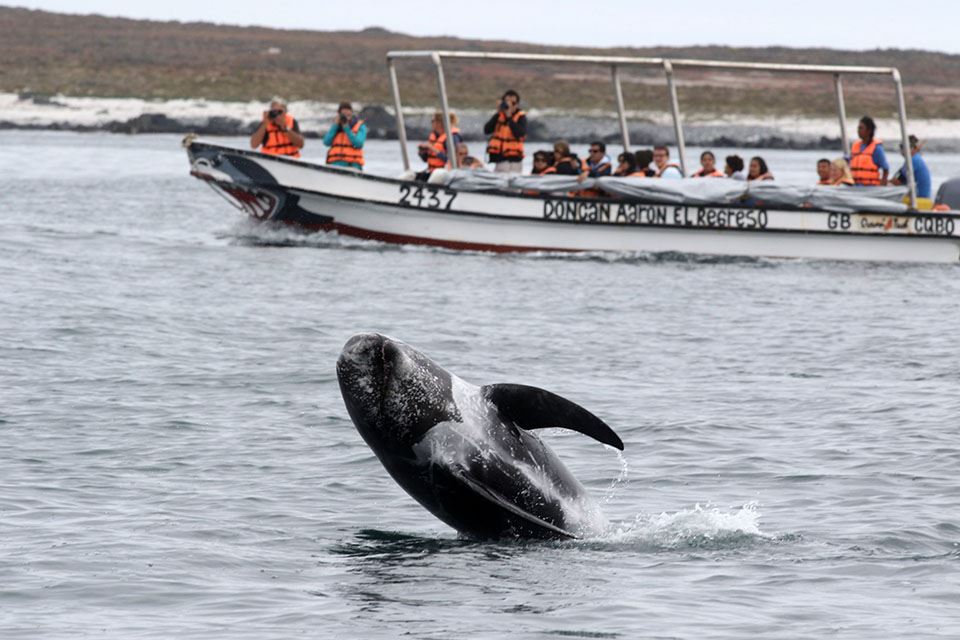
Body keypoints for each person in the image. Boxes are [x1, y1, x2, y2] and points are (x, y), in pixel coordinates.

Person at [484, 89, 527, 173]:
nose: (509, 106)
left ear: (517, 104)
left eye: (513, 103)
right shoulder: (499, 116)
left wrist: (509, 117)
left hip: (514, 160)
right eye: (507, 102)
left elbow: (520, 133)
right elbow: (487, 130)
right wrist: (498, 113)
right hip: (500, 159)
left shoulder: (520, 117)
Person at [323, 101, 367, 170]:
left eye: (348, 115)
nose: (346, 118)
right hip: (334, 165)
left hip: (352, 166)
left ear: (352, 113)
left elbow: (359, 144)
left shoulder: (360, 127)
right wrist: (335, 125)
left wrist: (346, 128)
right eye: (343, 115)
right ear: (339, 115)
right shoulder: (335, 127)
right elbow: (326, 142)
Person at [847, 115, 889, 186]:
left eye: (861, 128)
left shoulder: (877, 148)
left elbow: (885, 169)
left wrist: (882, 184)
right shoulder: (855, 146)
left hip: (870, 188)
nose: (858, 131)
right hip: (854, 187)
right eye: (858, 128)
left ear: (869, 130)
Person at [891, 134, 932, 199]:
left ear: (914, 148)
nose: (902, 151)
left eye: (905, 147)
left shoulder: (913, 160)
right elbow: (899, 176)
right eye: (901, 147)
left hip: (920, 199)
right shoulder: (913, 159)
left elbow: (897, 181)